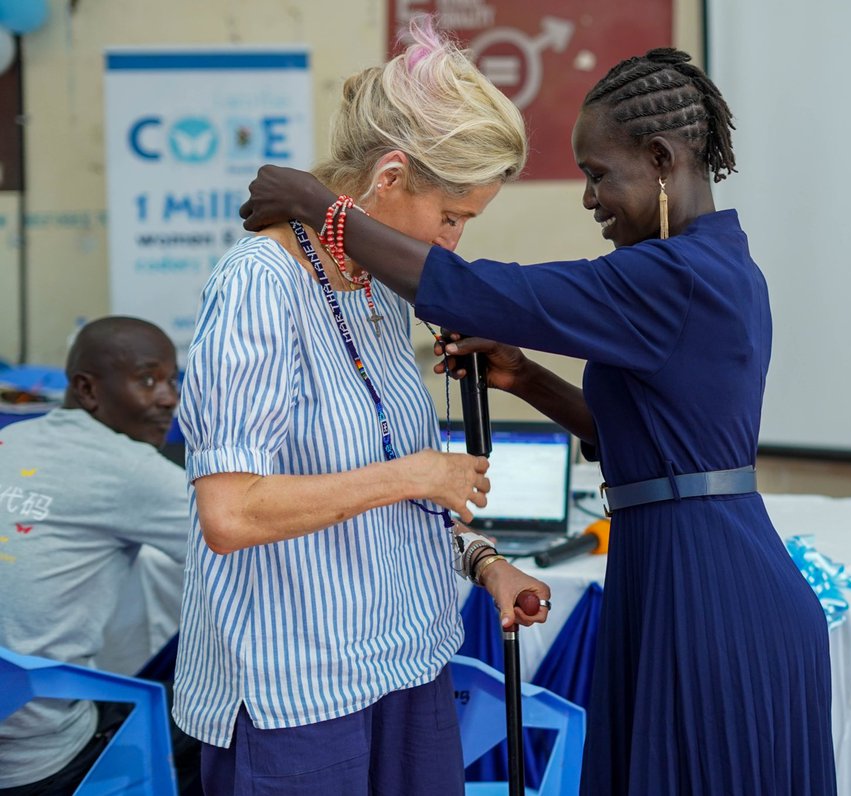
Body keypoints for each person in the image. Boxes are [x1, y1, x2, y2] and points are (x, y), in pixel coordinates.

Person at [240, 46, 837, 795]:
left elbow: (474, 292)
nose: (590, 199)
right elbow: (661, 445)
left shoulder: (674, 276)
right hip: (689, 568)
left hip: (708, 594)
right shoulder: (716, 264)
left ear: (659, 158)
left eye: (597, 174)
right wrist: (526, 379)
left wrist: (317, 205)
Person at [174, 19, 550, 795]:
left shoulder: (380, 289)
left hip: (406, 665)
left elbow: (383, 501)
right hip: (296, 694)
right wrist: (415, 474)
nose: (451, 244)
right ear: (388, 177)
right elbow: (231, 513)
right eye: (451, 217)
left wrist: (481, 561)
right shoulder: (260, 285)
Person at [0, 316, 200, 795]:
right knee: (221, 716)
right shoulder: (129, 468)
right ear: (88, 390)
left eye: (173, 380)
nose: (169, 398)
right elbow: (246, 545)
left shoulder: (12, 440)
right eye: (148, 380)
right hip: (39, 758)